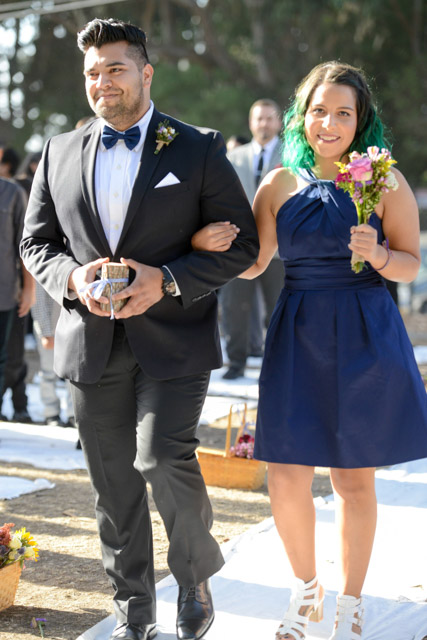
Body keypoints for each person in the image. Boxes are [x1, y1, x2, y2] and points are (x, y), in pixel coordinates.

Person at [21, 17, 258, 640]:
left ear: (146, 72)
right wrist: (73, 280)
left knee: (160, 457)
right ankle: (134, 612)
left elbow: (243, 246)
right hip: (89, 344)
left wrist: (170, 277)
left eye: (116, 69)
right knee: (113, 484)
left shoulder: (198, 147)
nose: (103, 83)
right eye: (93, 73)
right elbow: (36, 243)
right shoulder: (58, 151)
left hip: (175, 338)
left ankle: (194, 575)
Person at [195, 61, 427, 639]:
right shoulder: (278, 183)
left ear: (360, 120)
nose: (329, 122)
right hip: (297, 331)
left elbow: (411, 262)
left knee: (353, 480)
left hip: (364, 333)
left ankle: (350, 603)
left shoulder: (386, 181)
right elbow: (253, 263)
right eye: (319, 110)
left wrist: (377, 255)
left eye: (343, 113)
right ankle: (305, 594)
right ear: (302, 115)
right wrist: (203, 242)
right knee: (286, 472)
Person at [220, 99, 283, 379]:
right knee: (235, 307)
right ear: (251, 123)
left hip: (281, 248)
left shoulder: (293, 155)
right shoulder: (234, 157)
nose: (264, 124)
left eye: (269, 119)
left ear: (278, 122)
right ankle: (236, 363)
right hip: (240, 247)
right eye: (259, 119)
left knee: (281, 308)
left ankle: (282, 363)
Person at [0, 147, 36, 423]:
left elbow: (25, 247)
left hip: (7, 294)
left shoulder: (12, 194)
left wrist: (28, 289)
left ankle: (20, 405)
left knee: (11, 359)